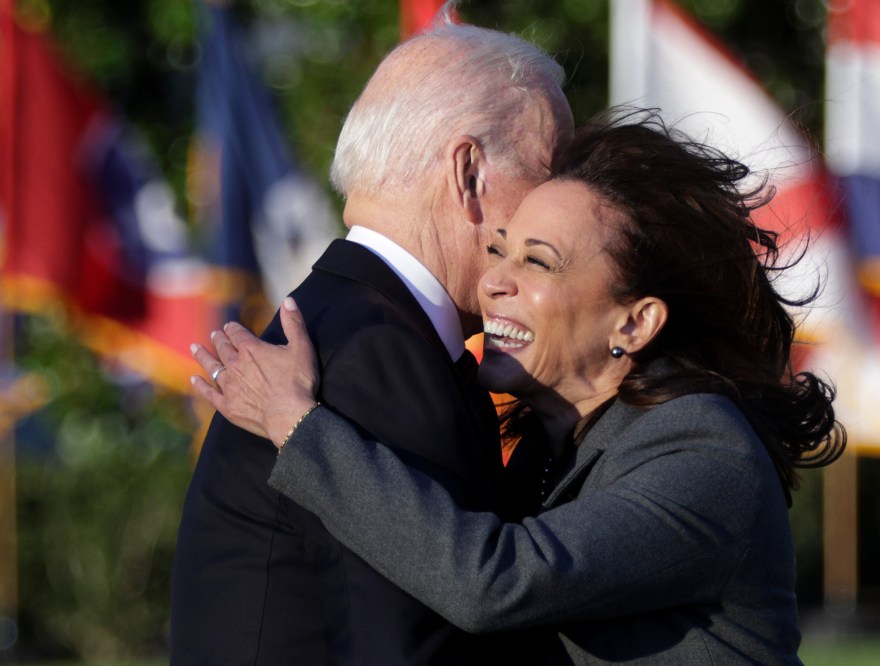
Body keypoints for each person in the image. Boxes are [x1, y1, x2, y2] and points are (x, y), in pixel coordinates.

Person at [193, 112, 845, 664]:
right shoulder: (547, 452)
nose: (494, 283)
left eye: (538, 262)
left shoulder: (701, 445)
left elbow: (494, 580)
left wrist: (297, 425)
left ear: (635, 322)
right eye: (500, 251)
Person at [170, 11, 573, 665]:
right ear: (468, 174)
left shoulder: (367, 327)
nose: (562, 211)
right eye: (550, 175)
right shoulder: (375, 353)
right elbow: (411, 646)